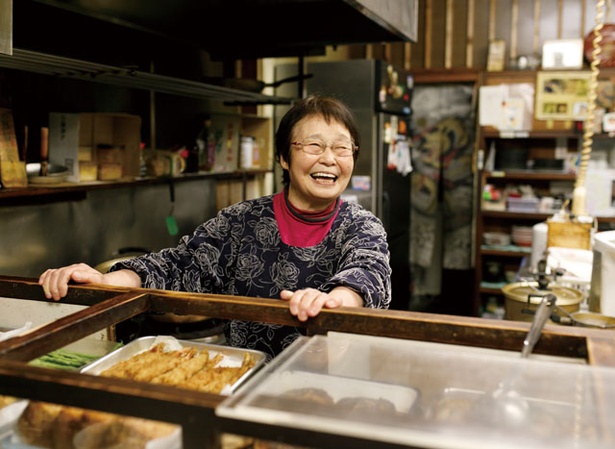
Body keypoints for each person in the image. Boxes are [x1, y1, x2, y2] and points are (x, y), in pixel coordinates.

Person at [38, 94, 392, 360]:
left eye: (342, 148)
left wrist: (333, 300)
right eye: (313, 145)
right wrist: (103, 282)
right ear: (284, 157)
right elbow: (180, 265)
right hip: (243, 382)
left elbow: (368, 273)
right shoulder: (242, 221)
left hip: (326, 386)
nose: (329, 159)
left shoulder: (362, 226)